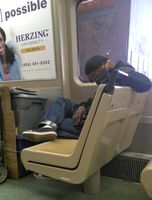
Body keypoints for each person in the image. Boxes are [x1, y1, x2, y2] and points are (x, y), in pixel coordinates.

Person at [22, 55, 151, 142]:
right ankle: (48, 127)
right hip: (89, 114)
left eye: (96, 76)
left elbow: (146, 83)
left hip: (89, 126)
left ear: (107, 64)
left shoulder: (118, 76)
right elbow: (95, 100)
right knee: (63, 102)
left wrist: (113, 71)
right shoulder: (105, 82)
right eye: (91, 79)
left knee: (58, 121)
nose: (95, 81)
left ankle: (49, 126)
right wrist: (82, 106)